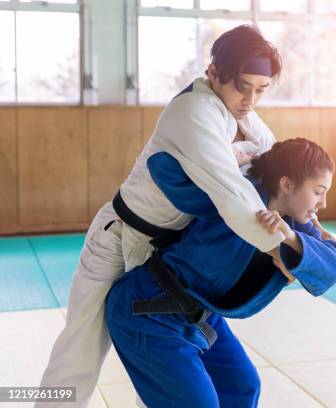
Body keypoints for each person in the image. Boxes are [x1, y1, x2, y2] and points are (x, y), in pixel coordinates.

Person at [38, 25, 289, 407]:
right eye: (243, 86)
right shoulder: (192, 111)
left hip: (169, 254)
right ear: (215, 73)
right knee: (80, 353)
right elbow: (234, 196)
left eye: (261, 89)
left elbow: (279, 165)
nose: (251, 100)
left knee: (165, 359)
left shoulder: (241, 116)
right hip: (117, 239)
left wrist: (309, 225)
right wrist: (285, 248)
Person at [105, 138, 336, 407]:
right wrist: (223, 158)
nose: (323, 203)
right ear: (287, 184)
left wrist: (289, 239)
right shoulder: (234, 196)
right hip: (148, 310)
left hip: (201, 316)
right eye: (318, 191)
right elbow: (162, 165)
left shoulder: (294, 225)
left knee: (242, 387)